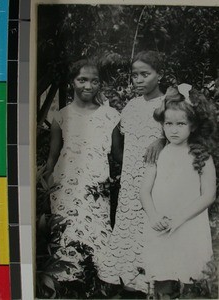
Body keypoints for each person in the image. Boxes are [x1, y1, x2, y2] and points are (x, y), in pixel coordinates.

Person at [44, 58, 122, 286]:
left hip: (97, 185)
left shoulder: (111, 116)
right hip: (65, 184)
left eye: (94, 81)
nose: (88, 86)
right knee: (67, 229)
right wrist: (48, 184)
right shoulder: (61, 116)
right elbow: (53, 155)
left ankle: (97, 279)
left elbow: (118, 156)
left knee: (97, 228)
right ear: (72, 82)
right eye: (82, 80)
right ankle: (67, 279)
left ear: (100, 84)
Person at [98, 50, 166, 295]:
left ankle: (152, 281)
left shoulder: (168, 104)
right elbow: (119, 144)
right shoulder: (130, 106)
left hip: (157, 181)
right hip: (130, 182)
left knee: (150, 225)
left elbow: (185, 136)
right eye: (134, 75)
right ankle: (128, 280)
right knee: (129, 224)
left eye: (145, 74)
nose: (138, 80)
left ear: (160, 75)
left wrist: (162, 141)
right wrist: (124, 163)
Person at [140, 84, 217, 298]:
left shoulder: (201, 155)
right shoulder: (157, 154)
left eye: (180, 124)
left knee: (190, 275)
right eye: (169, 124)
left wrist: (180, 219)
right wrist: (154, 216)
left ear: (192, 126)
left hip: (189, 222)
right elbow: (144, 191)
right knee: (163, 273)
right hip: (162, 223)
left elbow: (208, 194)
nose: (174, 129)